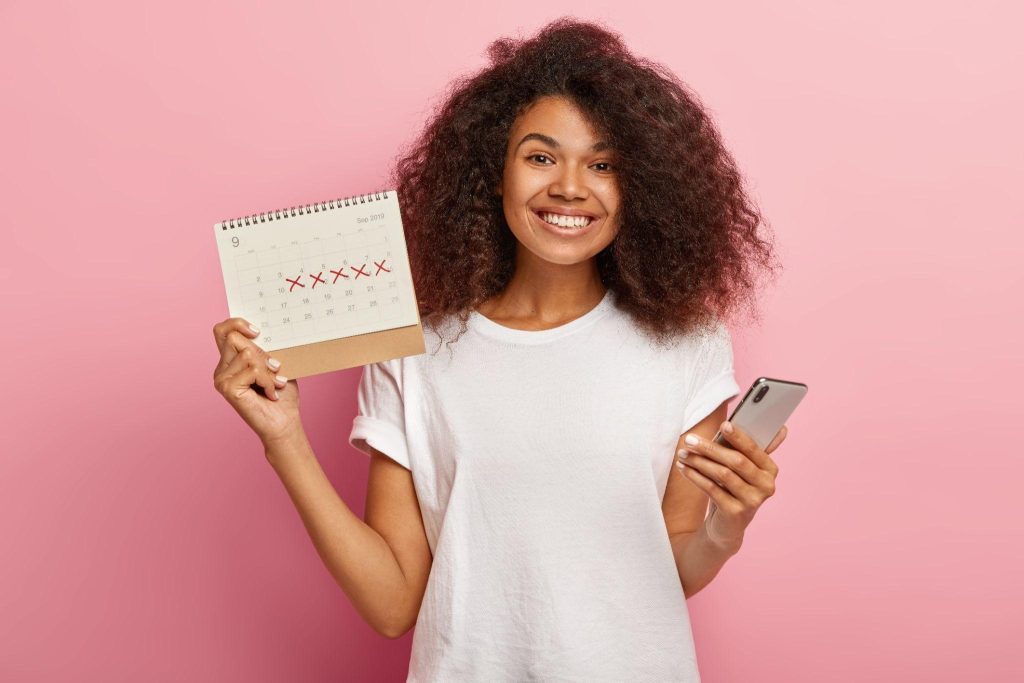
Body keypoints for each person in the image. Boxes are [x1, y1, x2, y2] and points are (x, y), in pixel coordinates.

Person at [212, 17, 788, 682]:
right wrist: (284, 438)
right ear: (493, 171)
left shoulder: (686, 341)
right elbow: (393, 603)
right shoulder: (414, 349)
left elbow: (671, 568)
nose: (570, 186)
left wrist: (729, 525)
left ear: (640, 188)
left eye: (603, 164)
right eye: (541, 156)